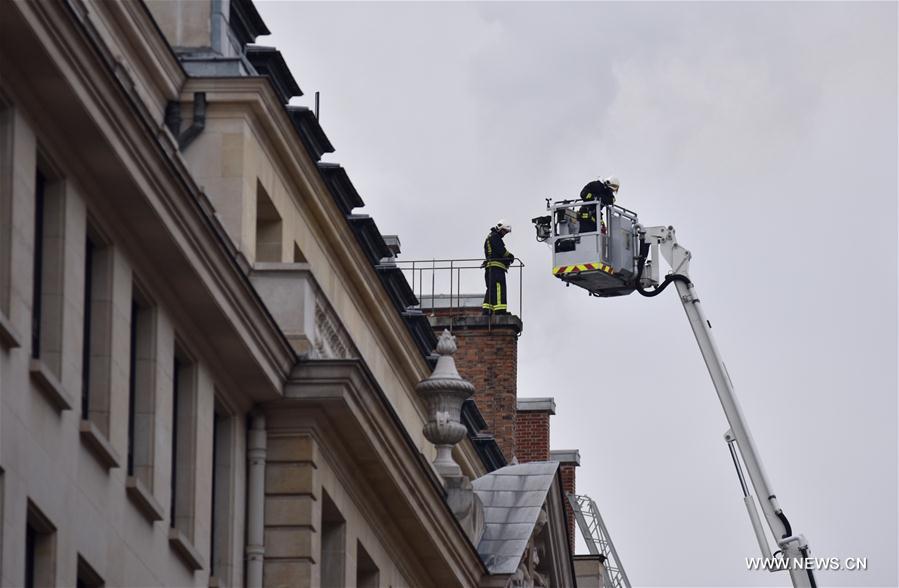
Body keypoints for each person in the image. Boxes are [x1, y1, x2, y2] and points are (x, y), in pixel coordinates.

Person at [482, 220, 514, 315]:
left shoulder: (490, 236)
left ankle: (487, 310)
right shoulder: (495, 237)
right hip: (496, 269)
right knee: (499, 288)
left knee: (491, 289)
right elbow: (502, 251)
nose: (505, 234)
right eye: (504, 231)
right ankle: (500, 311)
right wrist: (510, 257)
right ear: (500, 228)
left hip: (490, 268)